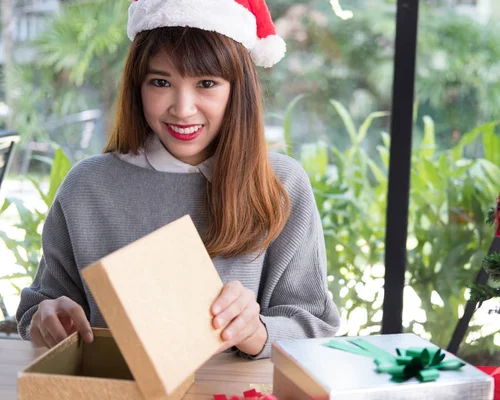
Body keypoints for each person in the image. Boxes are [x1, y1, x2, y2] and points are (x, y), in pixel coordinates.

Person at [16, 0, 340, 359]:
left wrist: (257, 331)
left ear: (237, 90)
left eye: (206, 83)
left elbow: (314, 326)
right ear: (137, 87)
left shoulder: (280, 184)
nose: (183, 108)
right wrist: (45, 319)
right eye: (160, 82)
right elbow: (39, 307)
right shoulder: (87, 187)